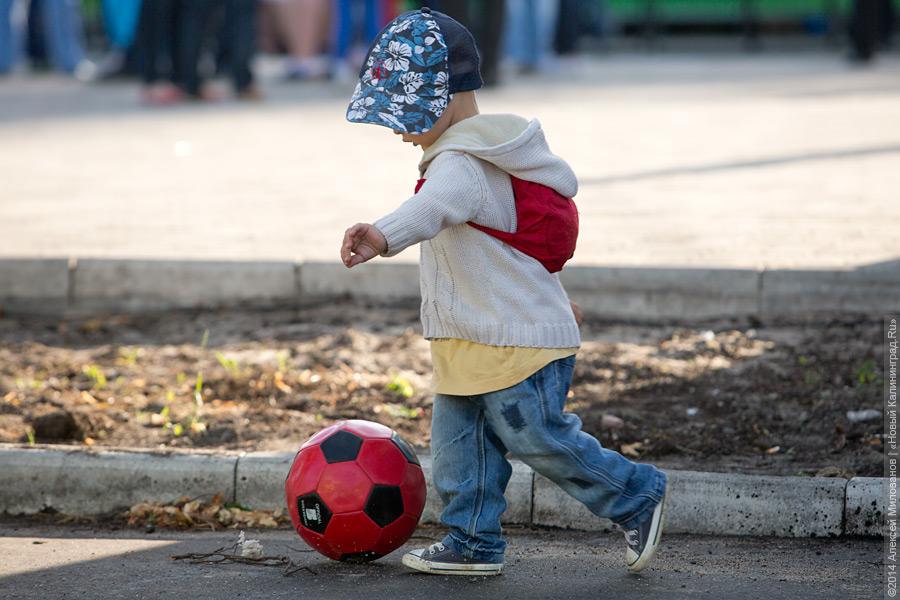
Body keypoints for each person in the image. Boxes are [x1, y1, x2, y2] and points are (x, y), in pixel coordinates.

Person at [339, 7, 668, 576]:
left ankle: (637, 495)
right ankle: (471, 541)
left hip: (515, 341)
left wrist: (381, 235)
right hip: (471, 336)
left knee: (538, 437)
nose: (395, 127)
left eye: (401, 110)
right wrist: (553, 293)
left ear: (440, 99)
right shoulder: (467, 159)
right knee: (459, 450)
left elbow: (430, 209)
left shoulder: (462, 164)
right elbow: (507, 252)